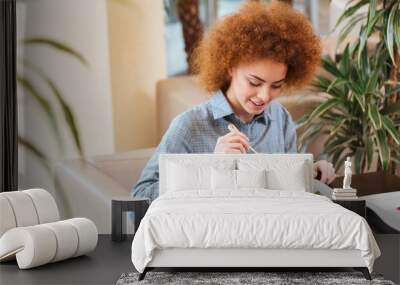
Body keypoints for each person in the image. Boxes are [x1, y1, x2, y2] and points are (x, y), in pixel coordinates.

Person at [133, 1, 336, 201]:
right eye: (254, 82)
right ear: (230, 67)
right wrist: (212, 168)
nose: (265, 96)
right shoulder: (189, 126)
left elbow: (289, 185)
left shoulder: (279, 117)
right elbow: (140, 197)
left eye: (276, 86)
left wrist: (310, 174)